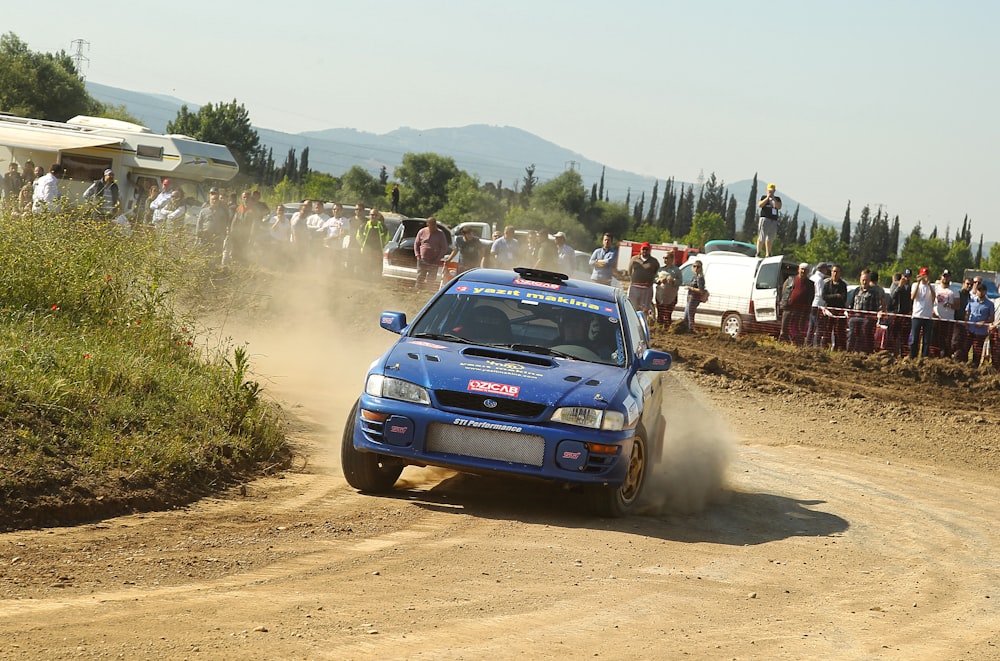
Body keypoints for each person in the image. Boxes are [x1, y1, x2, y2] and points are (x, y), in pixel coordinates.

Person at [779, 263, 815, 345]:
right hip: (789, 308)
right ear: (798, 269)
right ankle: (782, 343)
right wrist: (784, 302)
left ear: (808, 272)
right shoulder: (791, 279)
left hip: (801, 311)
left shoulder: (810, 284)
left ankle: (798, 345)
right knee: (785, 327)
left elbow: (811, 297)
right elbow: (784, 290)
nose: (803, 271)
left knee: (799, 329)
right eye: (802, 269)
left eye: (805, 270)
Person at [846, 269, 880, 353]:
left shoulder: (874, 292)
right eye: (863, 280)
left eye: (866, 280)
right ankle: (849, 352)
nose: (864, 282)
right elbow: (851, 304)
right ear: (860, 280)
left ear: (869, 281)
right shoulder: (856, 291)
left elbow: (877, 307)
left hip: (867, 318)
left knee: (865, 335)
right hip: (855, 317)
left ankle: (865, 353)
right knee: (852, 335)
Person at [196, 187, 232, 262]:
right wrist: (198, 235)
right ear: (209, 198)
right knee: (204, 256)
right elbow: (199, 223)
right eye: (213, 199)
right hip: (205, 237)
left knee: (216, 256)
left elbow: (225, 223)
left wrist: (223, 235)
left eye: (216, 199)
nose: (214, 201)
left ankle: (216, 271)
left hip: (217, 237)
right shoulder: (204, 209)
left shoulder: (222, 210)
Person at [964, 282, 994, 367]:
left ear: (985, 292)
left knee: (977, 352)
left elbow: (992, 318)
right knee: (965, 348)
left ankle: (974, 368)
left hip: (981, 332)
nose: (981, 292)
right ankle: (964, 366)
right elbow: (967, 313)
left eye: (983, 290)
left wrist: (984, 322)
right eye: (979, 290)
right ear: (976, 291)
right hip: (970, 329)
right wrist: (966, 323)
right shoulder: (971, 301)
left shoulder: (989, 304)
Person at [227, 190, 261, 264]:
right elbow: (234, 221)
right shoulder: (239, 208)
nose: (246, 199)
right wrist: (232, 232)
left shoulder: (254, 210)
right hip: (238, 234)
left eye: (247, 197)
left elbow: (254, 224)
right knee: (235, 251)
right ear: (242, 199)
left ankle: (245, 267)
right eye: (244, 197)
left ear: (250, 198)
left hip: (248, 235)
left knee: (245, 253)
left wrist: (251, 237)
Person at [413, 216, 448, 288]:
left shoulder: (440, 234)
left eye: (434, 225)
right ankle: (417, 290)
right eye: (431, 225)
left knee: (431, 278)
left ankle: (428, 292)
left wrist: (438, 258)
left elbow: (444, 248)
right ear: (428, 224)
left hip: (434, 260)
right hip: (422, 259)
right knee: (420, 276)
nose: (433, 227)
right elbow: (416, 244)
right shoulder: (422, 231)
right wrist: (417, 255)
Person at [627, 242, 660, 319]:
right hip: (635, 287)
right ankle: (632, 322)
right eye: (643, 249)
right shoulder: (634, 259)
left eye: (647, 249)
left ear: (650, 250)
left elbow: (657, 273)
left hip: (647, 288)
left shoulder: (654, 261)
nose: (645, 251)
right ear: (640, 249)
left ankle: (642, 325)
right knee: (633, 307)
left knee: (645, 309)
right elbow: (629, 271)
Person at [909, 266, 935, 359]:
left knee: (927, 340)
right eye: (923, 275)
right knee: (914, 338)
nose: (925, 277)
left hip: (927, 316)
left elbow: (933, 298)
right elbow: (913, 297)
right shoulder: (915, 285)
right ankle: (913, 356)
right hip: (917, 315)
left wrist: (929, 285)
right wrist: (919, 282)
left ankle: (924, 357)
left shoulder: (932, 286)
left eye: (926, 275)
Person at [886, 268, 913, 356]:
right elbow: (893, 296)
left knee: (904, 337)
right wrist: (899, 287)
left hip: (906, 315)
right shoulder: (895, 284)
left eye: (908, 277)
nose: (906, 278)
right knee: (892, 336)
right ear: (902, 276)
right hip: (895, 313)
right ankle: (891, 354)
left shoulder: (911, 287)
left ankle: (904, 355)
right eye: (905, 276)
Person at [821, 264, 849, 350]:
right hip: (829, 310)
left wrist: (833, 297)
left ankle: (839, 348)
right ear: (831, 272)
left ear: (840, 273)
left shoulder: (843, 285)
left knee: (839, 331)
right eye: (834, 271)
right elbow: (824, 297)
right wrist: (836, 296)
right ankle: (825, 347)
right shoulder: (827, 284)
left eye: (837, 272)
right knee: (827, 330)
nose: (835, 274)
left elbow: (843, 298)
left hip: (839, 311)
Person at [357, 208, 390, 275]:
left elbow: (387, 238)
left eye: (375, 215)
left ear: (378, 216)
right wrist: (362, 245)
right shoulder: (364, 226)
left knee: (376, 271)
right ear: (369, 215)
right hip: (366, 251)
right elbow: (358, 236)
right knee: (365, 270)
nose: (374, 217)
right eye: (372, 215)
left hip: (377, 252)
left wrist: (383, 245)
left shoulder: (382, 227)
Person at [932, 269, 957, 358]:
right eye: (944, 276)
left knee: (947, 341)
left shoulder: (954, 290)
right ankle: (935, 357)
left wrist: (950, 305)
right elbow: (930, 301)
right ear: (941, 277)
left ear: (950, 278)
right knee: (936, 339)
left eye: (947, 277)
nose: (945, 278)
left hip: (948, 319)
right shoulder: (935, 288)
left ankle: (946, 358)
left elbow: (957, 306)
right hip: (937, 318)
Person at [806, 262, 830, 347]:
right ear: (823, 269)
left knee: (811, 326)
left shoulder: (812, 277)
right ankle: (817, 344)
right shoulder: (820, 280)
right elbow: (820, 294)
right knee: (819, 326)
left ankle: (809, 343)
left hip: (812, 304)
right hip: (819, 305)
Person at [756, 183, 782, 257]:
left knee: (770, 238)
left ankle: (768, 253)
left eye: (772, 191)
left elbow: (778, 206)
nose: (771, 192)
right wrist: (767, 198)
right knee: (762, 237)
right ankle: (758, 252)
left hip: (773, 220)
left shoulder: (777, 199)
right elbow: (760, 205)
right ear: (767, 190)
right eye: (769, 191)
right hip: (765, 218)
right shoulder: (763, 197)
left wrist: (773, 198)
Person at [952, 276, 973, 363]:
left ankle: (960, 361)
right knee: (955, 342)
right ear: (963, 283)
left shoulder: (969, 296)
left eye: (971, 285)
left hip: (965, 323)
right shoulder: (958, 293)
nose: (969, 286)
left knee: (963, 343)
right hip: (956, 321)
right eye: (968, 284)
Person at [685, 260, 706, 333]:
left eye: (698, 267)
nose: (696, 268)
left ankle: (690, 330)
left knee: (690, 315)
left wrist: (691, 288)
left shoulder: (700, 278)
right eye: (694, 266)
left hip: (694, 299)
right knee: (687, 314)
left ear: (701, 268)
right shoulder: (694, 277)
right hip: (690, 298)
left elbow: (701, 290)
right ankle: (688, 329)